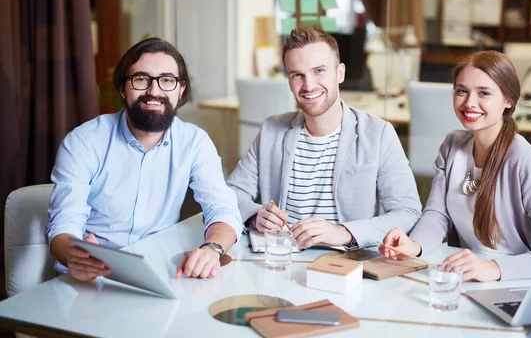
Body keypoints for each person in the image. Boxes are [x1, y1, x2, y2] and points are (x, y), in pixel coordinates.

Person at [45, 38, 242, 281]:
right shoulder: (84, 141)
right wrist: (74, 254)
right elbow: (63, 224)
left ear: (181, 90)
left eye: (167, 80)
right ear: (122, 88)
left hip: (154, 275)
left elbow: (223, 208)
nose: (154, 91)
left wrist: (212, 249)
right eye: (141, 79)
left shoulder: (194, 143)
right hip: (88, 278)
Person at [379, 50, 531, 281]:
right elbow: (437, 214)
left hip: (515, 281)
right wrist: (414, 245)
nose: (469, 102)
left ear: (508, 100)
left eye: (483, 93)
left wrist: (492, 268)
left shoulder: (526, 162)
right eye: (461, 91)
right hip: (465, 277)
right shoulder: (452, 145)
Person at [227, 26, 421, 250]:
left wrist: (343, 232)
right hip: (280, 260)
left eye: (319, 70)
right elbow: (232, 193)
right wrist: (254, 216)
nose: (308, 85)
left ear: (340, 73)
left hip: (346, 265)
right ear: (289, 81)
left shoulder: (378, 135)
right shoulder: (272, 130)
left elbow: (408, 212)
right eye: (297, 75)